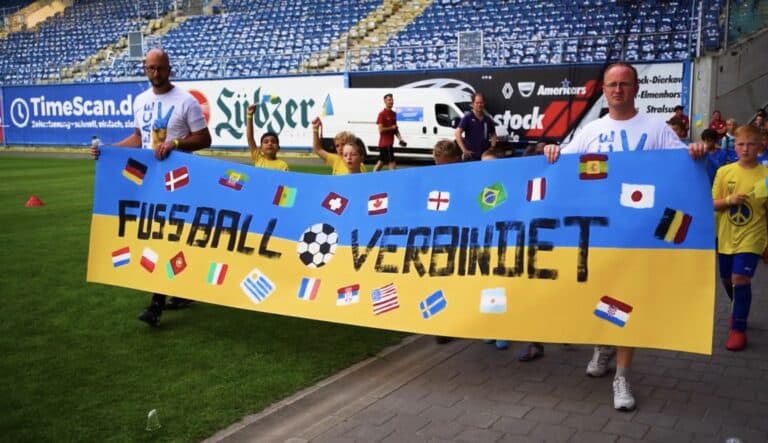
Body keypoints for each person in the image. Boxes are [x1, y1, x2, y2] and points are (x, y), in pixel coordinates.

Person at [543, 62, 706, 411]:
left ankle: (622, 376)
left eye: (625, 84)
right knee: (597, 295)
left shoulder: (656, 129)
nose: (618, 89)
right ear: (603, 89)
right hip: (598, 233)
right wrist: (552, 153)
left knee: (627, 300)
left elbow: (681, 166)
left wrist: (693, 153)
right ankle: (603, 345)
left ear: (636, 88)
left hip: (637, 235)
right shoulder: (590, 131)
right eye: (612, 84)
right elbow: (561, 167)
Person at [90, 48, 212, 327]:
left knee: (163, 237)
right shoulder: (140, 100)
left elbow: (205, 138)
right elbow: (138, 137)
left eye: (160, 68)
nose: (155, 74)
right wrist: (108, 151)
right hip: (149, 179)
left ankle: (156, 305)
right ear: (145, 69)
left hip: (179, 179)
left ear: (170, 69)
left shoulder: (186, 101)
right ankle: (184, 291)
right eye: (150, 68)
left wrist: (176, 143)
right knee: (166, 237)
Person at [711, 124, 768, 351]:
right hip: (725, 236)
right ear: (734, 146)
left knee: (740, 279)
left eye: (751, 144)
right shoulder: (724, 172)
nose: (745, 149)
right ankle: (737, 305)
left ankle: (738, 328)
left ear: (760, 146)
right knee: (727, 279)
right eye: (741, 144)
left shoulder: (765, 175)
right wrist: (729, 201)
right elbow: (711, 204)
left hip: (752, 235)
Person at [455, 92, 497, 161]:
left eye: (481, 102)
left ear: (484, 103)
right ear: (472, 104)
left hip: (484, 158)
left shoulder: (487, 119)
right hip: (471, 157)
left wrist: (492, 148)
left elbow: (493, 134)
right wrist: (464, 150)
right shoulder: (467, 117)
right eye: (477, 103)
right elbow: (457, 133)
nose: (479, 105)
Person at [245, 104, 288, 171]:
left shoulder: (283, 165)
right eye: (266, 142)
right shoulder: (258, 158)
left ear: (278, 148)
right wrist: (249, 115)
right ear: (260, 148)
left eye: (273, 142)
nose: (270, 143)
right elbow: (250, 138)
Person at [373, 93, 406, 171]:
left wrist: (400, 139)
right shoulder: (382, 114)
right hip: (385, 144)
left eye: (392, 100)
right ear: (385, 101)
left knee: (380, 162)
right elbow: (381, 130)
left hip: (389, 144)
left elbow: (395, 129)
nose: (391, 101)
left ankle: (371, 177)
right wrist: (391, 127)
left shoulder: (394, 114)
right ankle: (393, 180)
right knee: (392, 164)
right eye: (389, 100)